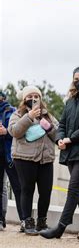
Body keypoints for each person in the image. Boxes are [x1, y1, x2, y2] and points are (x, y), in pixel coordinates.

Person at [40, 66, 79, 240]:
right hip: (69, 150)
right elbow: (63, 123)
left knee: (73, 188)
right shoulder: (70, 101)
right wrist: (60, 138)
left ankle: (61, 226)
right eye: (76, 78)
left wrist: (70, 139)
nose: (78, 80)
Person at [8, 86, 58, 235]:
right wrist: (29, 117)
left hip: (46, 159)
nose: (34, 99)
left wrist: (48, 127)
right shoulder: (17, 114)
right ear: (24, 99)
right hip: (24, 159)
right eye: (30, 96)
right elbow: (15, 132)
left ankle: (42, 222)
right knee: (27, 189)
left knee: (46, 191)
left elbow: (57, 134)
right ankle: (27, 222)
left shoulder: (48, 115)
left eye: (37, 96)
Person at [0, 91, 25, 231]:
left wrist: (6, 132)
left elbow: (17, 131)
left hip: (10, 155)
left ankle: (24, 219)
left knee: (18, 188)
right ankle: (1, 219)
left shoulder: (12, 111)